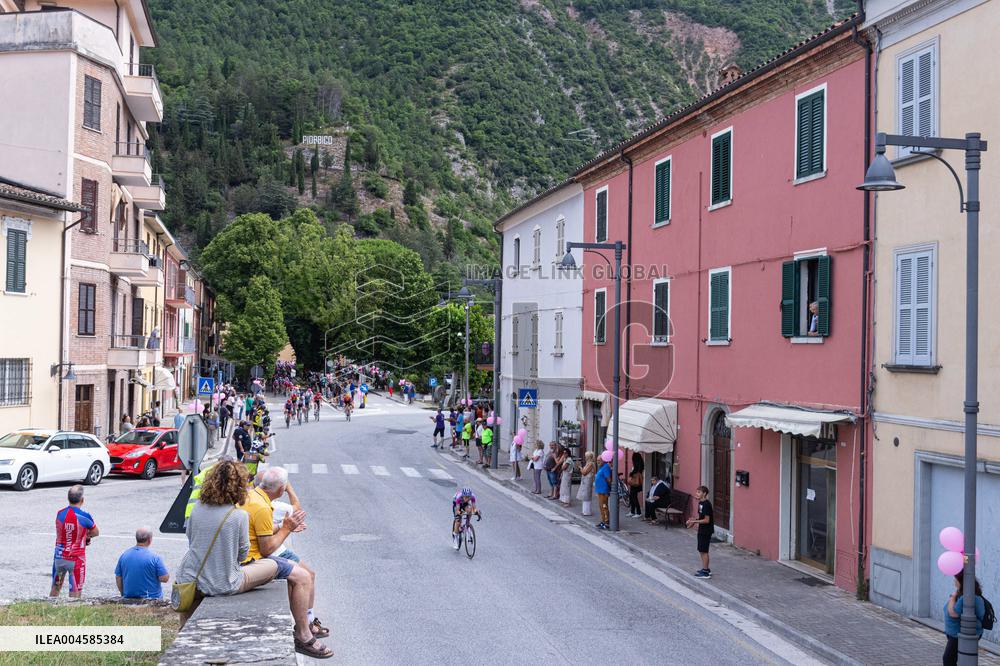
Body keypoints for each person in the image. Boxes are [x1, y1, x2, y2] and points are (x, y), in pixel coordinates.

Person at [242, 467, 331, 655]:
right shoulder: (263, 506)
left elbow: (262, 532)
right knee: (303, 577)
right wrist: (286, 529)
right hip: (253, 560)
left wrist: (282, 526)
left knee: (298, 575)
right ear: (282, 490)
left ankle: (304, 628)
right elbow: (267, 549)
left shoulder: (253, 497)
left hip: (247, 556)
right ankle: (303, 635)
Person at [51, 485, 98, 597]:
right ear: (82, 500)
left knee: (55, 588)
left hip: (59, 557)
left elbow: (65, 530)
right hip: (76, 559)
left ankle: (49, 608)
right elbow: (96, 532)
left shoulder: (60, 513)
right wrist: (86, 536)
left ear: (68, 499)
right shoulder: (85, 516)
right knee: (75, 593)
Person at [944, 573, 987, 665]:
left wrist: (952, 597)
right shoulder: (961, 594)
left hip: (960, 634)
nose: (954, 581)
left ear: (961, 581)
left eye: (955, 579)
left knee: (948, 659)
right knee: (954, 658)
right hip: (955, 633)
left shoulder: (969, 597)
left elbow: (953, 613)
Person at [115, 527, 169, 599]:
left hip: (128, 597)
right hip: (151, 598)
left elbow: (118, 577)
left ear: (137, 539)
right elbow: (164, 578)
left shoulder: (124, 555)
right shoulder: (155, 558)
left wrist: (123, 593)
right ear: (149, 540)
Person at [687, 485, 714, 578]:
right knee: (701, 550)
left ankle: (706, 572)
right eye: (696, 492)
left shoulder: (706, 504)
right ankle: (705, 569)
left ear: (704, 494)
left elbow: (707, 520)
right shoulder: (700, 503)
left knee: (704, 551)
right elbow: (701, 517)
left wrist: (694, 521)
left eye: (699, 492)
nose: (697, 494)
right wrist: (693, 521)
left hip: (706, 530)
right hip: (702, 529)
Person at [594, 457, 613, 530]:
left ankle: (606, 522)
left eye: (599, 460)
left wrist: (609, 489)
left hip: (604, 491)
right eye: (597, 460)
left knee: (604, 506)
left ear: (604, 460)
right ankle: (603, 521)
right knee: (601, 506)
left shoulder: (606, 467)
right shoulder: (601, 467)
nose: (598, 462)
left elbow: (608, 479)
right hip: (600, 491)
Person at [577, 451, 596, 516]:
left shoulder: (591, 464)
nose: (585, 457)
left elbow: (584, 472)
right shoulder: (588, 463)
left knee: (586, 496)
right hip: (585, 481)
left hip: (588, 482)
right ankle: (584, 510)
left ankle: (587, 511)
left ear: (588, 457)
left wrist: (580, 468)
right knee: (584, 495)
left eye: (586, 456)